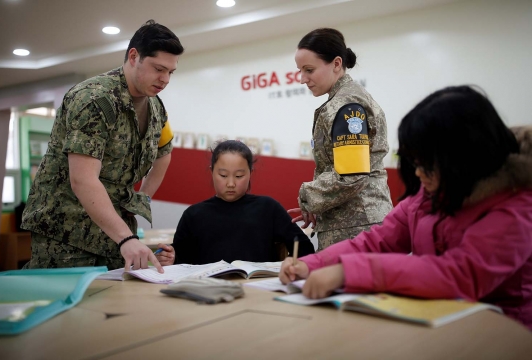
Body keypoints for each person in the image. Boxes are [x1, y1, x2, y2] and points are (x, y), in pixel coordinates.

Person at [279, 85, 532, 330]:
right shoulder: (432, 193)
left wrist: (347, 272)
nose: (419, 173)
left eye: (428, 164)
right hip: (440, 322)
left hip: (505, 332)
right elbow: (377, 241)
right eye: (415, 163)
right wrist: (313, 264)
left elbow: (459, 275)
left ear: (465, 158)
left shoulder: (517, 208)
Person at [21, 20, 184, 273]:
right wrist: (127, 238)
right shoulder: (94, 99)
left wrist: (139, 201)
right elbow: (83, 180)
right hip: (66, 233)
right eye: (158, 69)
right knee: (71, 310)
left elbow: (164, 153)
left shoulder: (155, 107)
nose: (165, 80)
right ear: (134, 56)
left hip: (115, 233)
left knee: (116, 307)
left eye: (170, 72)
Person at [289, 28, 393, 251]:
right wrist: (320, 205)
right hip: (354, 223)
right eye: (300, 71)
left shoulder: (346, 104)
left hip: (356, 229)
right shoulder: (345, 99)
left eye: (309, 70)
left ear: (336, 63)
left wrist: (307, 195)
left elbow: (351, 175)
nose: (302, 79)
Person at [155, 140, 315, 265]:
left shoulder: (268, 208)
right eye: (223, 175)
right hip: (210, 292)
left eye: (239, 176)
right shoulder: (194, 215)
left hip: (257, 291)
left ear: (250, 173)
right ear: (212, 172)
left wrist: (295, 266)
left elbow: (304, 247)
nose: (231, 183)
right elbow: (181, 259)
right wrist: (171, 258)